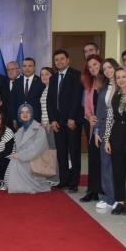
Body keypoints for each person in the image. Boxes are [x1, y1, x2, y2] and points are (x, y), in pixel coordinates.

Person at [49, 50, 83, 192]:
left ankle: (74, 182)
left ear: (68, 60)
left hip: (72, 121)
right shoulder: (53, 77)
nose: (59, 62)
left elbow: (77, 98)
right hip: (58, 122)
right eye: (56, 60)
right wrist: (52, 120)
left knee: (74, 152)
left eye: (62, 59)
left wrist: (72, 118)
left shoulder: (77, 75)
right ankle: (63, 180)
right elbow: (50, 101)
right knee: (61, 152)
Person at [104, 67, 126, 215]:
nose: (121, 80)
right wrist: (106, 140)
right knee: (118, 170)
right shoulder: (115, 96)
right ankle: (120, 201)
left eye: (124, 77)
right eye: (118, 77)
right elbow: (110, 119)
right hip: (116, 135)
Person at [5, 104, 50, 194]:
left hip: (35, 161)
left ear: (32, 114)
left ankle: (23, 186)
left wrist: (19, 155)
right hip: (24, 160)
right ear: (19, 115)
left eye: (27, 112)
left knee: (15, 160)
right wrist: (16, 155)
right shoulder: (20, 130)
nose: (25, 114)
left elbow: (36, 149)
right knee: (13, 159)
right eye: (22, 112)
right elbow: (16, 148)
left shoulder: (39, 129)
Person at [94, 58, 120, 210]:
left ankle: (118, 197)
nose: (108, 71)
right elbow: (99, 111)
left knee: (118, 165)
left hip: (119, 130)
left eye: (110, 67)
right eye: (105, 69)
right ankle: (108, 197)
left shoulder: (123, 86)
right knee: (105, 164)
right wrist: (97, 131)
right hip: (103, 130)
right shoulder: (103, 89)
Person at [80, 55, 103, 202]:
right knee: (93, 159)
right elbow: (87, 108)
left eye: (95, 64)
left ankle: (105, 190)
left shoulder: (108, 82)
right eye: (89, 67)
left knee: (105, 160)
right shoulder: (89, 84)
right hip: (93, 127)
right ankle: (92, 190)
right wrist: (89, 116)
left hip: (107, 126)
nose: (93, 68)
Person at [11, 57, 43, 123]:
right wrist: (14, 118)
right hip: (19, 119)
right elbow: (13, 101)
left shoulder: (41, 82)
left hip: (36, 119)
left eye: (30, 66)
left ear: (34, 68)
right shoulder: (16, 82)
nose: (27, 68)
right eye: (24, 66)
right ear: (22, 68)